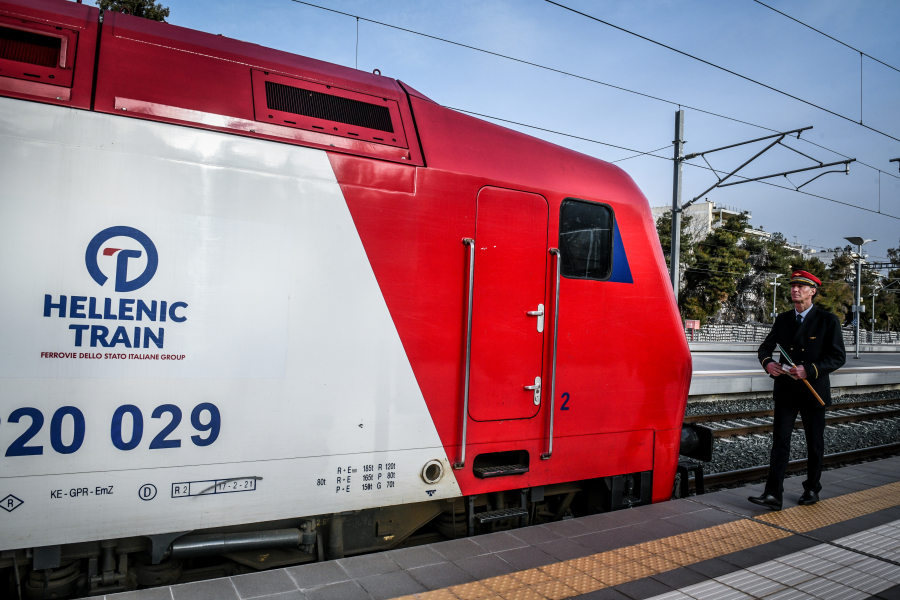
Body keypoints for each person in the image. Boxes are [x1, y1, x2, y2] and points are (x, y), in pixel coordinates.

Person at [748, 270, 846, 510]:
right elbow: (765, 348)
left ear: (813, 291)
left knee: (815, 443)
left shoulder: (827, 320)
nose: (795, 289)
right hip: (786, 392)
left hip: (813, 390)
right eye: (793, 286)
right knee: (780, 442)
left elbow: (837, 357)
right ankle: (773, 494)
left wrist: (809, 370)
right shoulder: (783, 319)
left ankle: (812, 489)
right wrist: (768, 364)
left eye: (801, 286)